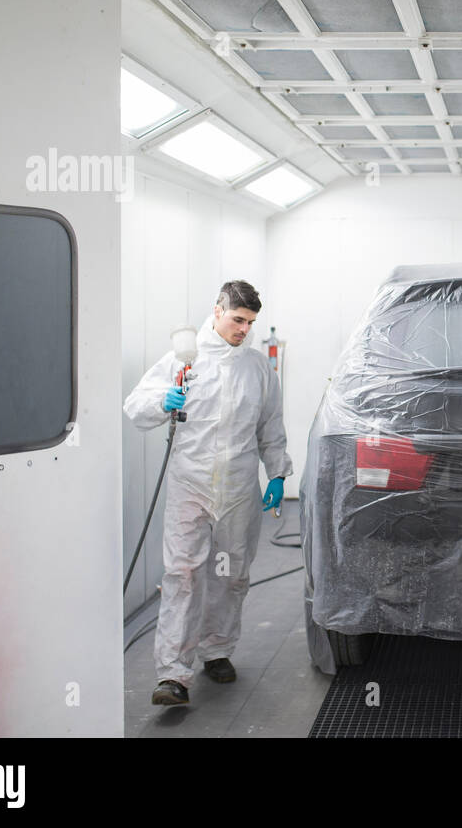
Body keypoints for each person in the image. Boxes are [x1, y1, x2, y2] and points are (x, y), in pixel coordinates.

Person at [124, 280, 292, 706]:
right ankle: (173, 676)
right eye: (237, 319)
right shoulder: (184, 360)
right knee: (182, 575)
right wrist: (165, 399)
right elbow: (135, 407)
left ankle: (216, 650)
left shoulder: (257, 368)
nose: (243, 329)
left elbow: (270, 426)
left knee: (230, 574)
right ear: (217, 310)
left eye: (250, 322)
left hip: (238, 487)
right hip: (190, 485)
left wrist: (276, 474)